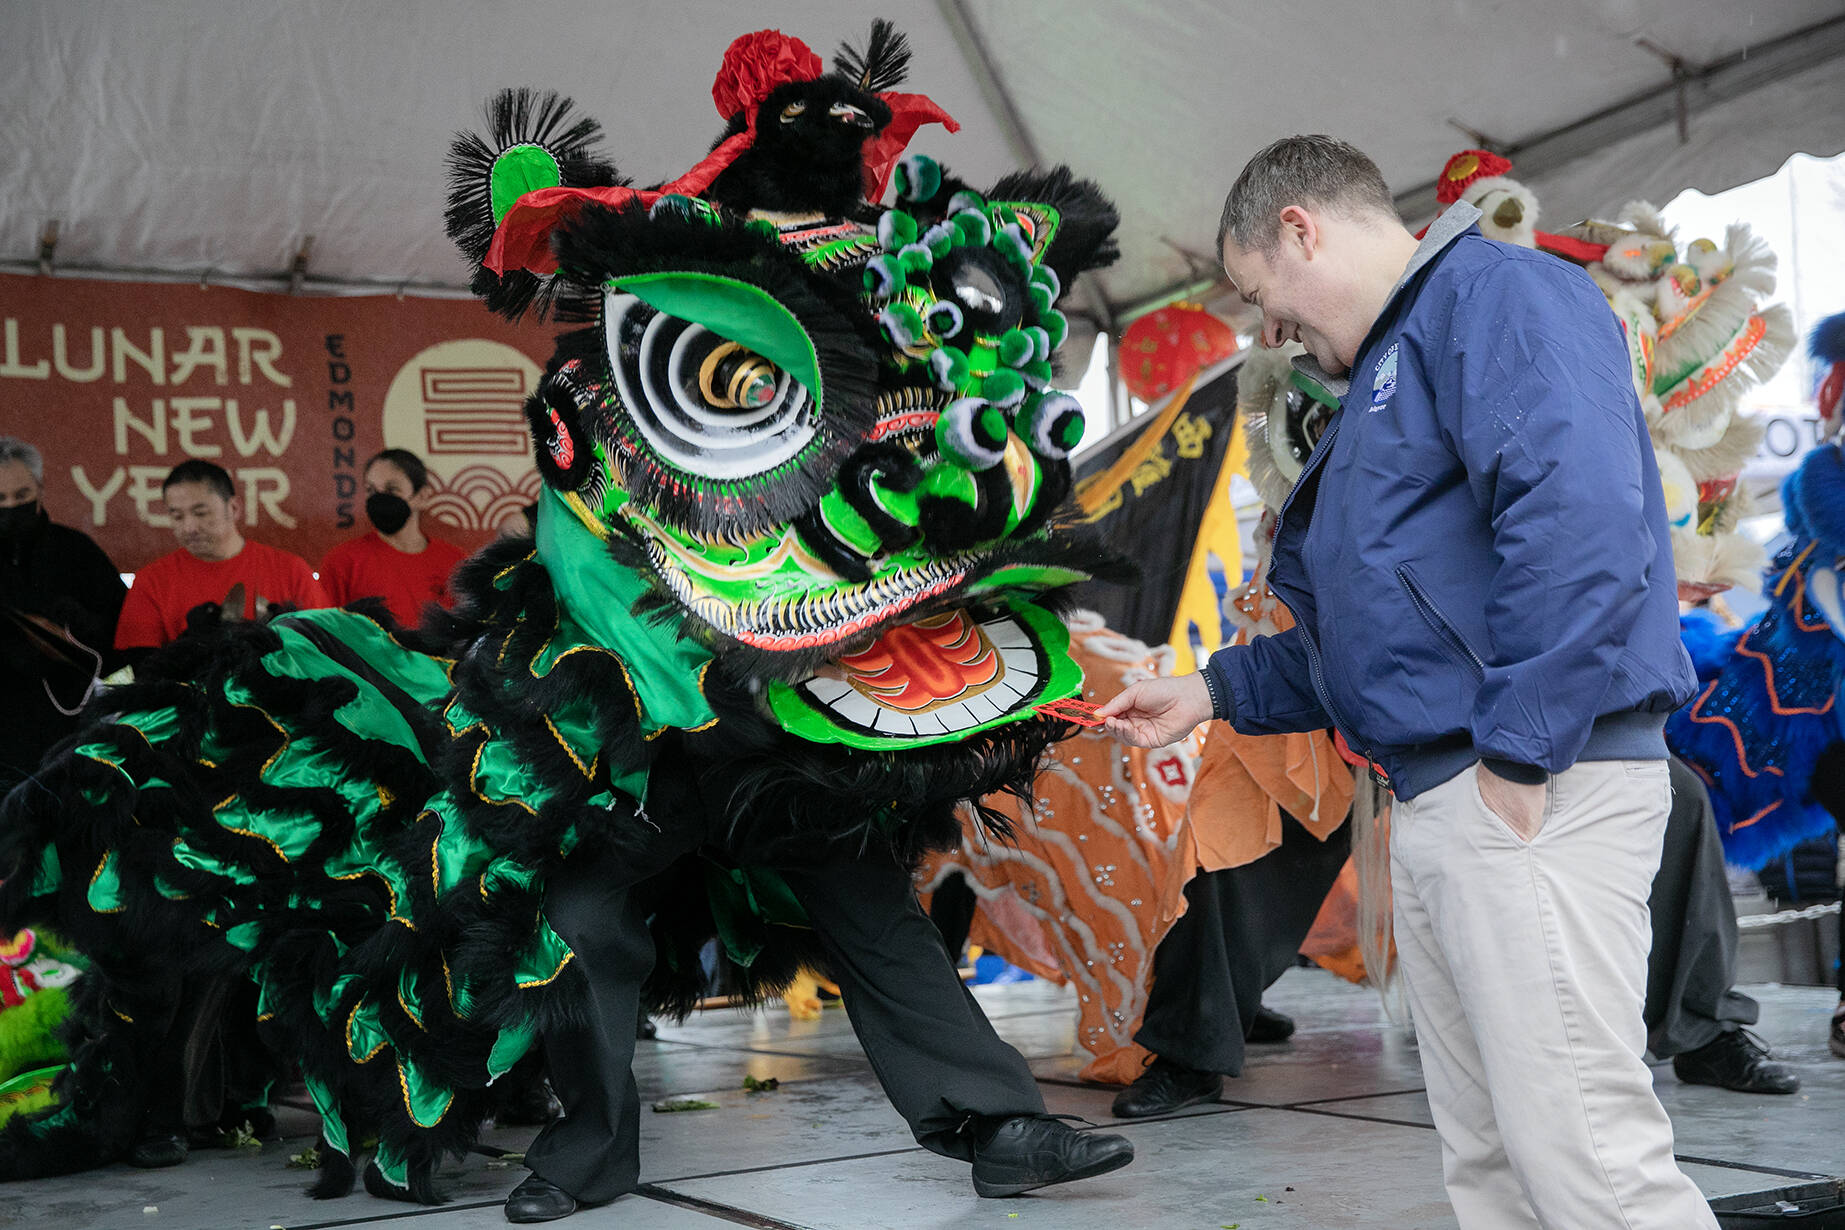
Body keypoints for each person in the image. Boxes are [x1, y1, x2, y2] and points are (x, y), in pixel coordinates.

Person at [1101, 136, 1715, 1229]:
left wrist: (1520, 755)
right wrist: (1213, 689)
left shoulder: (1498, 293)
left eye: (1260, 297)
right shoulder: (1396, 356)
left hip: (1531, 782)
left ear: (1301, 228)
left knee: (1588, 1164)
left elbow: (1581, 522)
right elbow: (1388, 622)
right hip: (1457, 793)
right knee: (1491, 1165)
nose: (1270, 334)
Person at [0, 437, 127, 789]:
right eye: (0, 500)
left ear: (40, 488)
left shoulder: (78, 552)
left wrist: (88, 627)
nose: (11, 506)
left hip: (71, 730)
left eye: (22, 496)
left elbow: (121, 633)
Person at [114, 459, 328, 652]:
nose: (189, 527)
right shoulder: (150, 582)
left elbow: (327, 647)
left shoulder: (291, 570)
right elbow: (140, 669)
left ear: (233, 508)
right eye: (177, 516)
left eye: (201, 513)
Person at [318, 449, 466, 626]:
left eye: (392, 489)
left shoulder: (455, 561)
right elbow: (324, 633)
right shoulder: (343, 561)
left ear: (422, 496)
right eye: (371, 490)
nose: (379, 498)